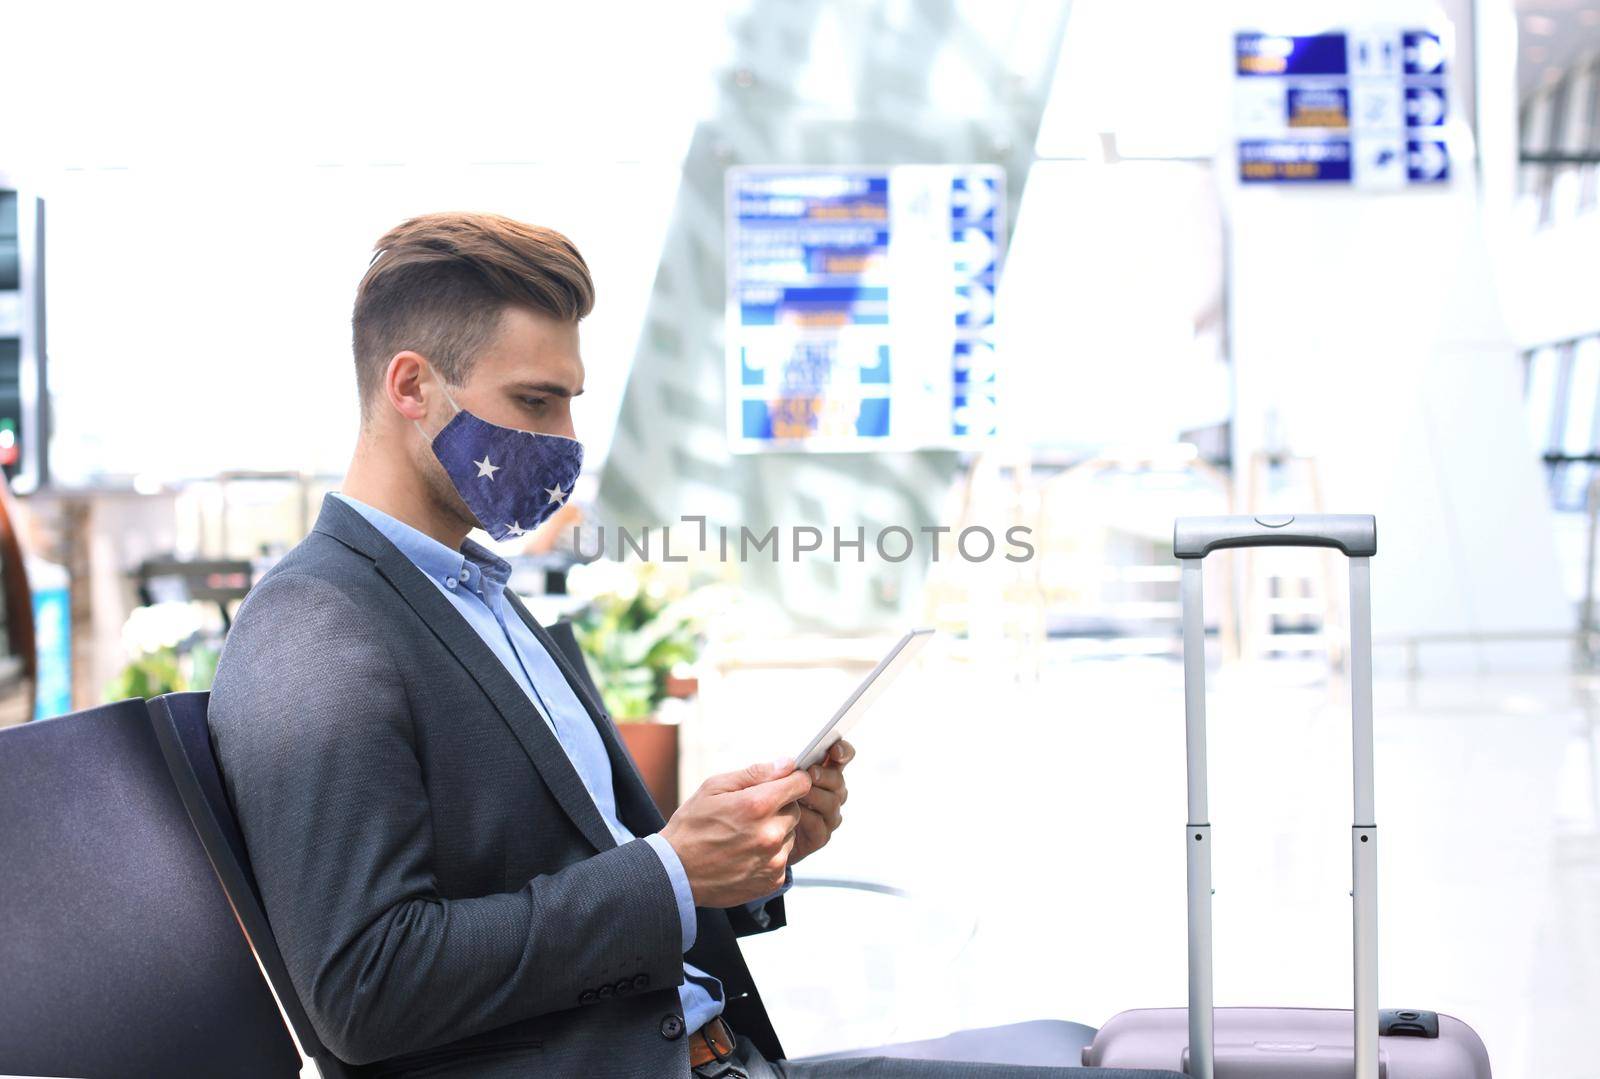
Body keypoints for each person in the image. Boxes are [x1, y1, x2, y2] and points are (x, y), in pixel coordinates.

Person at [208, 212, 1184, 1079]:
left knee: (1101, 1043)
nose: (566, 437)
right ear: (412, 386)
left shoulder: (487, 602)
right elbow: (365, 987)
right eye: (537, 402)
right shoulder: (318, 625)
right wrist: (673, 869)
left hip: (714, 1048)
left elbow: (582, 872)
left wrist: (745, 853)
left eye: (573, 400)